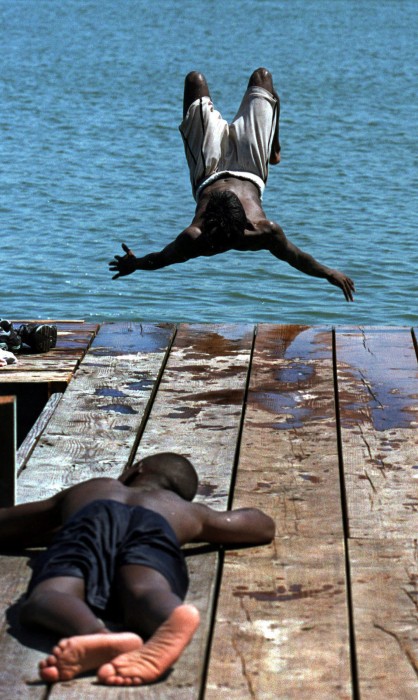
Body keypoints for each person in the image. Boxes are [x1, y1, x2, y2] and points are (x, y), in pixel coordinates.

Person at [0, 452, 275, 686]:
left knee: (52, 594)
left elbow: (11, 524)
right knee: (147, 589)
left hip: (91, 518)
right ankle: (169, 615)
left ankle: (93, 634)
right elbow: (260, 527)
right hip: (156, 528)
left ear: (135, 470)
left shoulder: (95, 487)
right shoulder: (184, 510)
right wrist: (199, 523)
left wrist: (60, 525)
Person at [109, 67, 355, 302]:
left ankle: (273, 147)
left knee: (195, 80)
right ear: (249, 222)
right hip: (252, 168)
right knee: (262, 77)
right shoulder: (262, 231)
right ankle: (273, 147)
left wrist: (136, 263)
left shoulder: (197, 236)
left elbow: (162, 258)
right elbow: (295, 257)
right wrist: (328, 272)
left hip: (207, 170)